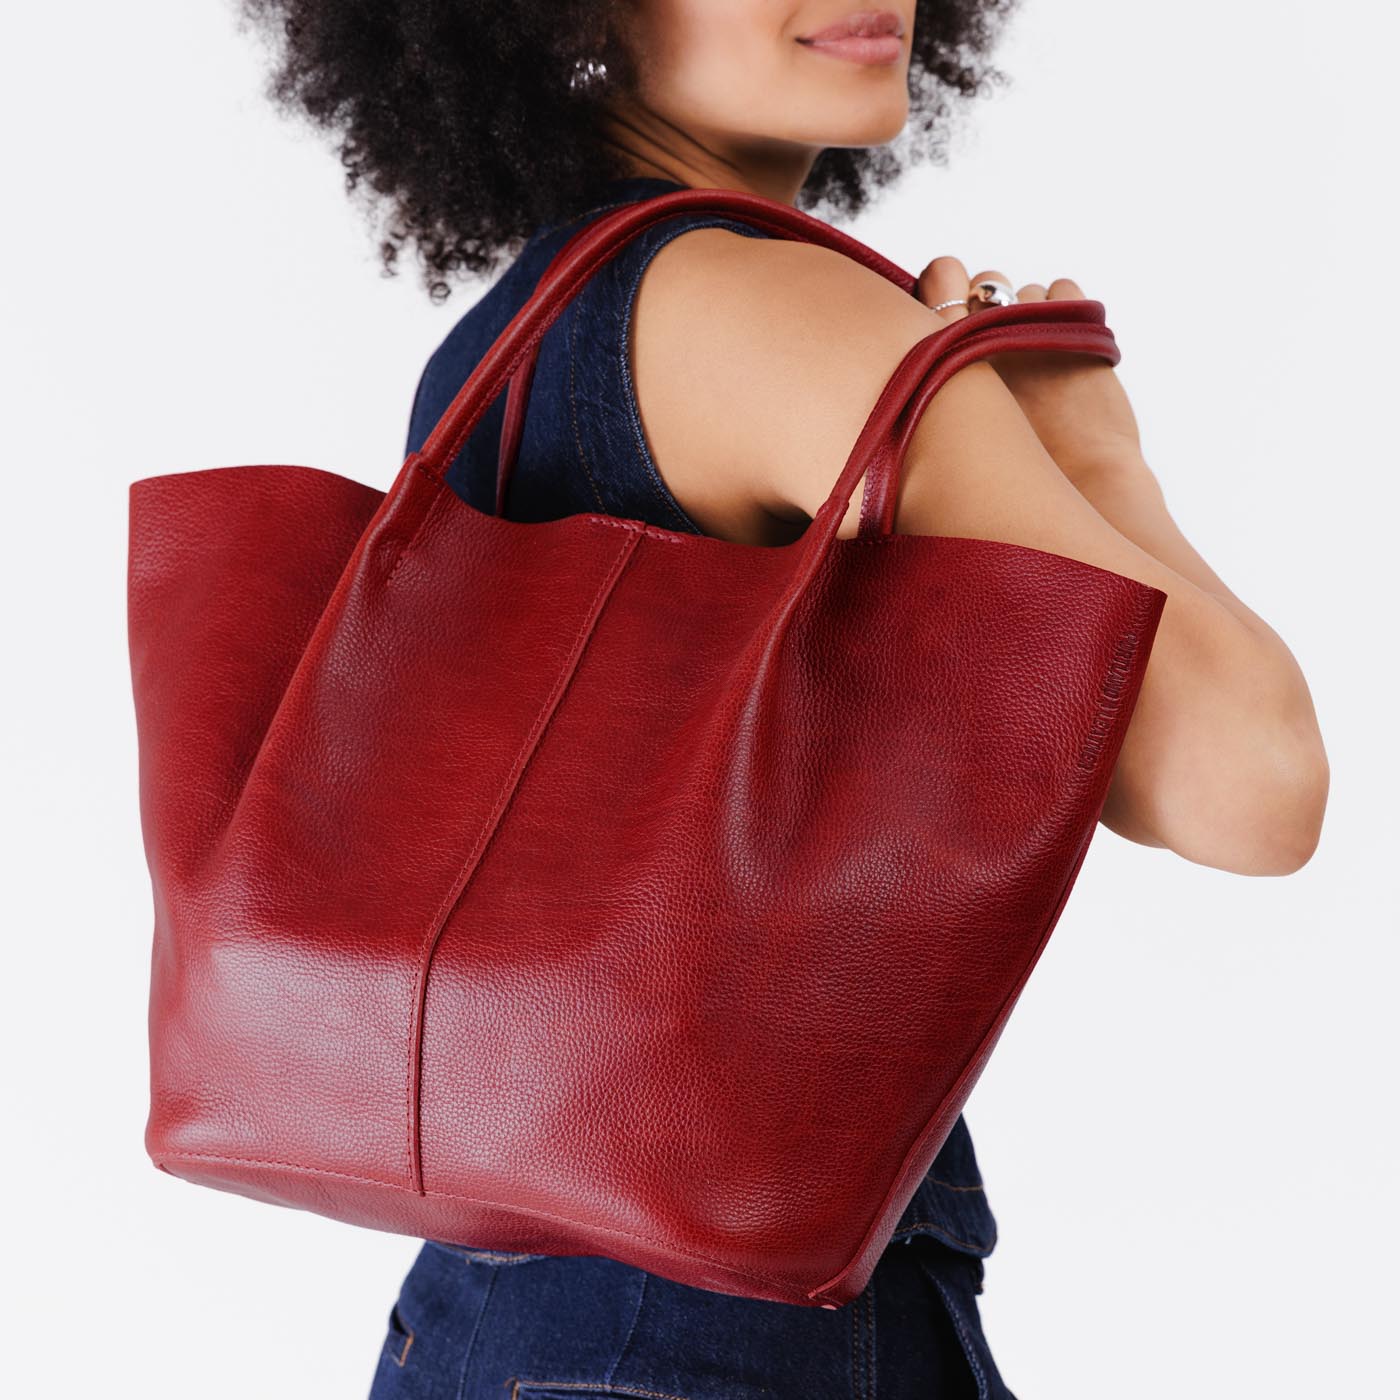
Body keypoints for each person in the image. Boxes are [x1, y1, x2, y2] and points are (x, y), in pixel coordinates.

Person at [236, 3, 1329, 1395]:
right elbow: (1251, 784)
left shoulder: (527, 325)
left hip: (492, 1322)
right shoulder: (768, 306)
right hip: (711, 1349)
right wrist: (1097, 459)